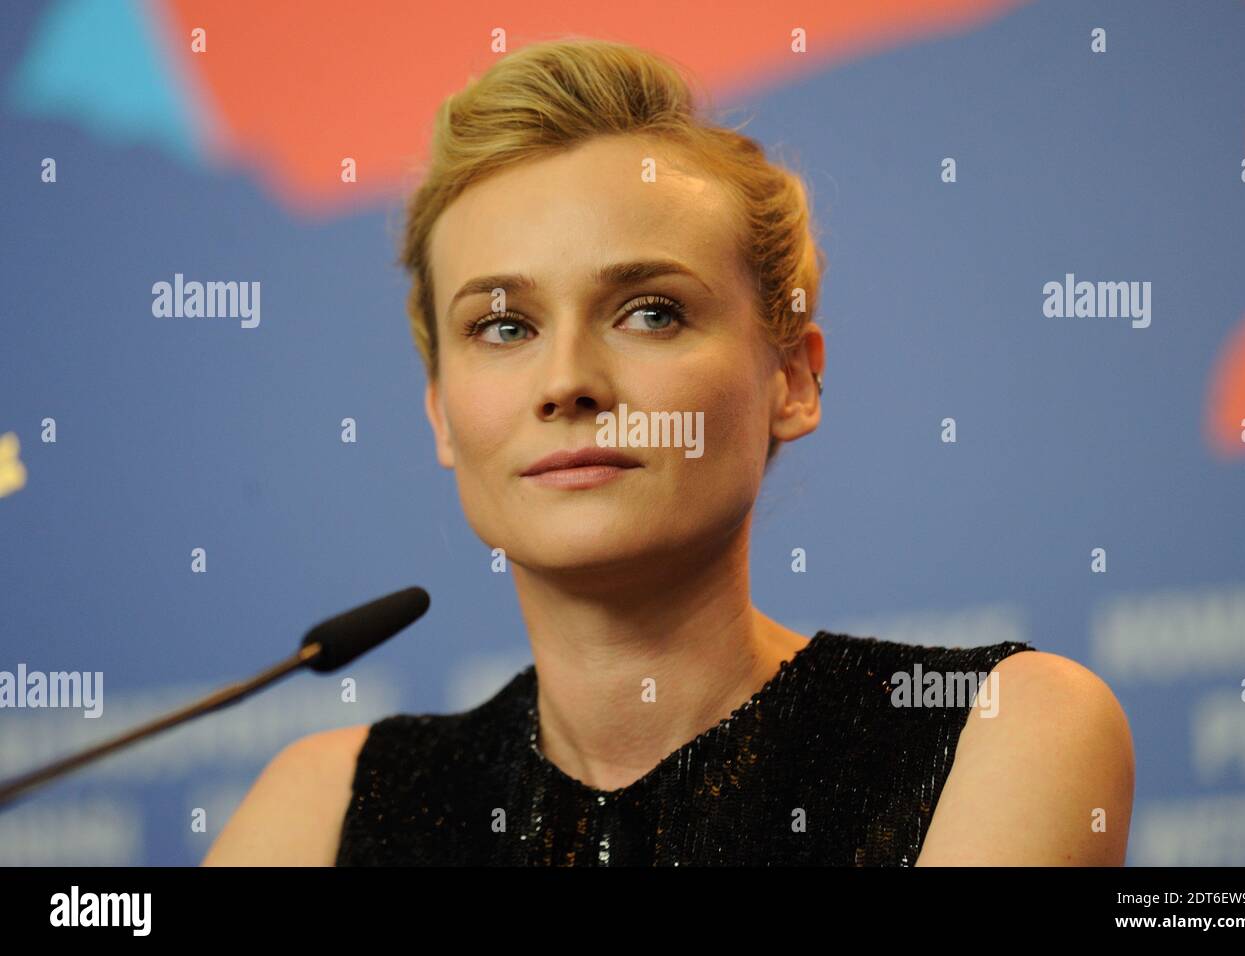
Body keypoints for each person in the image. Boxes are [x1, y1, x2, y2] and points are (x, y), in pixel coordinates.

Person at [202, 37, 1134, 867]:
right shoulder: (319, 810)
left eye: (651, 311)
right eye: (502, 325)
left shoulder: (996, 726)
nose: (567, 381)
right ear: (443, 414)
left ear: (792, 381)